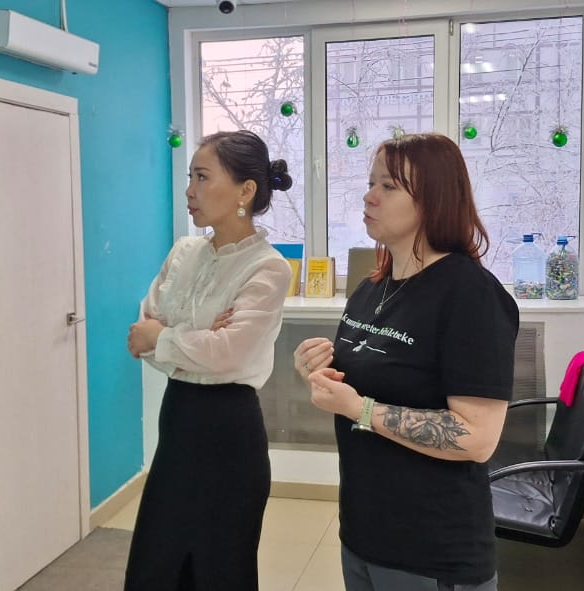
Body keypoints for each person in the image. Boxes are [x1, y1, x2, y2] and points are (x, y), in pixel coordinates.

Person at [293, 133, 519, 591]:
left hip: (431, 550)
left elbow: (477, 437)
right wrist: (316, 370)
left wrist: (359, 409)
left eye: (389, 186)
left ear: (434, 198)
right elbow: (363, 381)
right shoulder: (370, 288)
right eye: (370, 183)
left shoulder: (470, 295)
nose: (369, 196)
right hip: (363, 534)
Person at [124, 130, 295, 591]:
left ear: (245, 191)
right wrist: (195, 339)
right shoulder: (184, 252)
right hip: (178, 421)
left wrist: (172, 337)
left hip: (229, 433)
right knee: (156, 566)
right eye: (190, 177)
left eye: (202, 177)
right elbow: (142, 334)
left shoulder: (268, 267)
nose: (190, 191)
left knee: (220, 569)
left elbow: (228, 353)